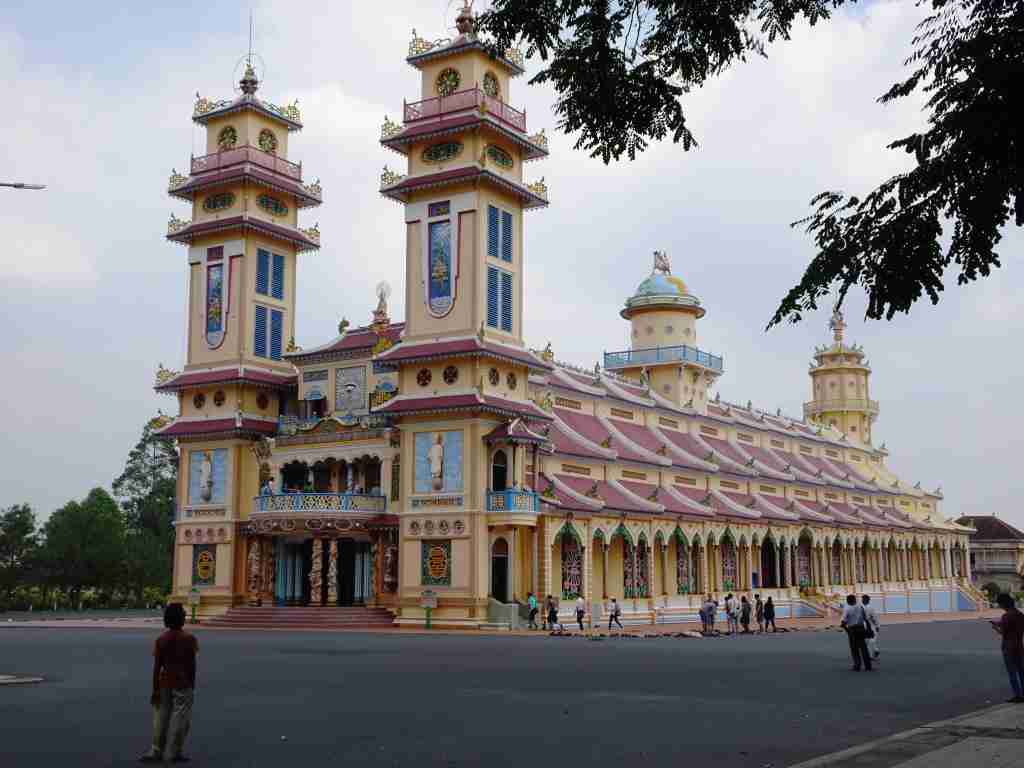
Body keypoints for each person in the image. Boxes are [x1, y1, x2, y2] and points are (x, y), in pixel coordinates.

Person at [140, 603, 199, 764]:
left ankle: (156, 750)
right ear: (181, 619)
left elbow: (157, 667)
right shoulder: (189, 639)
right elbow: (191, 665)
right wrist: (192, 685)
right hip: (183, 683)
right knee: (181, 719)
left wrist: (155, 689)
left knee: (161, 718)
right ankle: (174, 751)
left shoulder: (161, 639)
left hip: (164, 682)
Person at [990, 593, 1024, 702]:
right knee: (1021, 671)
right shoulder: (1020, 614)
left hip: (1008, 646)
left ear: (1003, 604)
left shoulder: (1006, 616)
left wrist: (995, 627)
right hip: (1019, 645)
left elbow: (1003, 632)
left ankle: (1018, 695)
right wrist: (1000, 624)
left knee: (1012, 672)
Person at [840, 594, 872, 671]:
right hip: (861, 628)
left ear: (848, 601)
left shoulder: (847, 609)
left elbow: (843, 622)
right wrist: (869, 629)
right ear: (855, 600)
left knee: (854, 648)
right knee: (863, 648)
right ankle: (868, 666)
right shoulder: (860, 607)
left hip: (852, 629)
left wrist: (848, 631)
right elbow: (866, 619)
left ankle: (857, 665)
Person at [862, 594, 881, 660]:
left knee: (869, 641)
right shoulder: (866, 607)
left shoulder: (867, 608)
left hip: (867, 626)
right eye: (863, 599)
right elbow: (874, 618)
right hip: (866, 626)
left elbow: (875, 617)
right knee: (870, 641)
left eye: (863, 599)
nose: (863, 600)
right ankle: (875, 651)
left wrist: (877, 625)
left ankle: (872, 654)